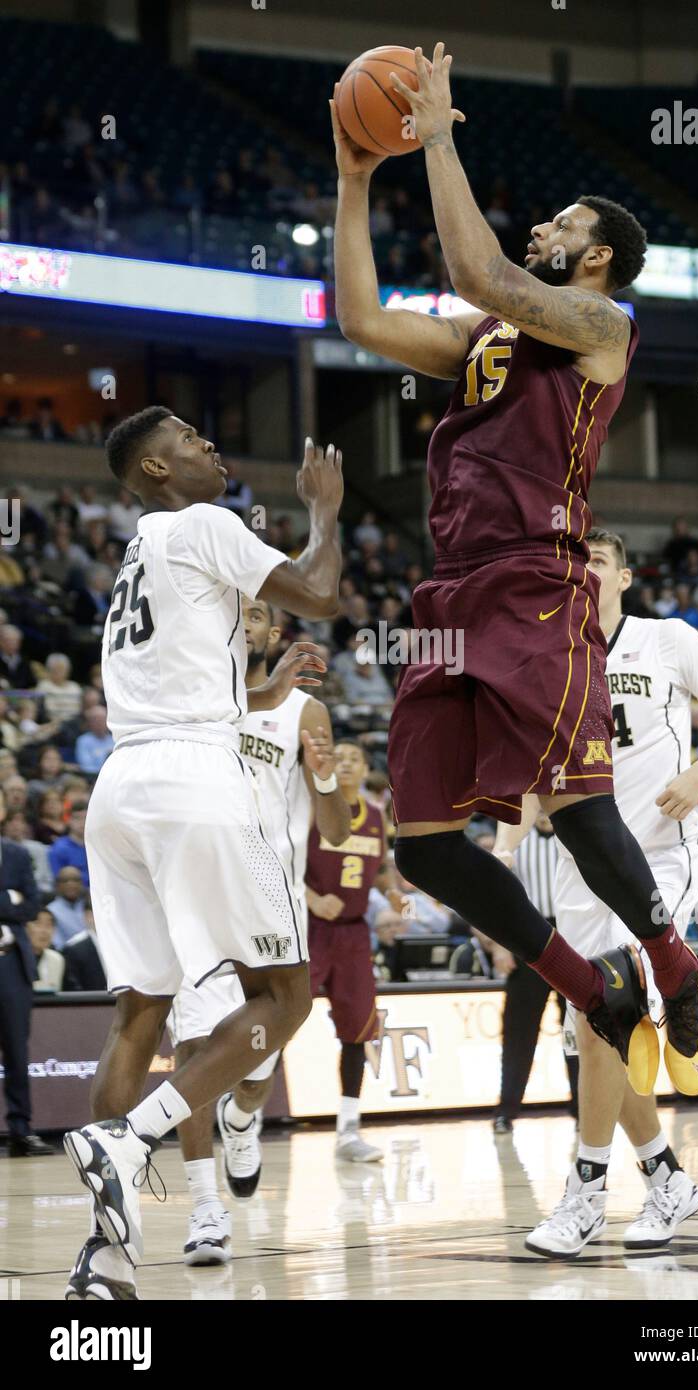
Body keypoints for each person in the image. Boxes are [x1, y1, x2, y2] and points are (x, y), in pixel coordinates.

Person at [331, 46, 698, 1114]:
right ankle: (587, 985)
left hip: (535, 582)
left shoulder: (603, 329)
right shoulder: (484, 339)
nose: (543, 229)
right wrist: (357, 177)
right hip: (449, 590)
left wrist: (440, 133)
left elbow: (480, 271)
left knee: (581, 807)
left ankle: (672, 962)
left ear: (597, 258)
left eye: (560, 222)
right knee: (423, 845)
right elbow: (362, 321)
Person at [62, 409, 342, 1301]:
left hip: (120, 790)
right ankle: (133, 1134)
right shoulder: (203, 523)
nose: (210, 446)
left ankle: (104, 1262)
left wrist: (257, 687)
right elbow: (319, 592)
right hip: (196, 784)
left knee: (139, 1014)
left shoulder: (138, 554)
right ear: (153, 467)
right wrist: (326, 514)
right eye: (189, 439)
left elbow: (197, 671)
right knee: (288, 996)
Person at [494, 529, 698, 1255]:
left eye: (597, 563)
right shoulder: (551, 663)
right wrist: (501, 848)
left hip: (659, 862)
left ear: (624, 578)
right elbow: (533, 782)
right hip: (583, 871)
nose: (582, 573)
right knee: (601, 1030)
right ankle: (666, 1177)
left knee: (602, 1007)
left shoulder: (667, 639)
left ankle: (583, 1192)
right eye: (572, 564)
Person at [166, 599, 351, 1266]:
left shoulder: (303, 712)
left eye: (259, 615)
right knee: (190, 1055)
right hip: (196, 898)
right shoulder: (190, 696)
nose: (245, 622)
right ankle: (205, 1211)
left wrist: (325, 773)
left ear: (275, 634)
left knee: (254, 1068)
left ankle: (243, 1118)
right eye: (234, 612)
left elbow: (333, 831)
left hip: (271, 909)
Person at [306, 740, 396, 1163]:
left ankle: (348, 1130)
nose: (345, 764)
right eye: (338, 757)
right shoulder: (311, 806)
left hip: (354, 934)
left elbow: (378, 871)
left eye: (353, 758)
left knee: (359, 1030)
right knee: (278, 1021)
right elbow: (281, 862)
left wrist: (395, 897)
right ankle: (244, 1119)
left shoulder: (376, 816)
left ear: (364, 769)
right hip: (308, 927)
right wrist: (310, 898)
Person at [491, 810, 575, 1134]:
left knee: (578, 1031)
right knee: (518, 1033)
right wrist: (499, 944)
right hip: (526, 937)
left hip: (571, 938)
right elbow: (493, 897)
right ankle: (506, 1110)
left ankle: (585, 1110)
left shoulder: (574, 836)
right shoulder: (513, 843)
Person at [0, 785, 51, 1155]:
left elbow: (32, 906)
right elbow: (16, 901)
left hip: (10, 961)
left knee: (17, 1049)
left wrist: (11, 902)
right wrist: (7, 898)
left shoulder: (16, 855)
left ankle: (21, 1129)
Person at [62, 906, 107, 991]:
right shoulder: (74, 948)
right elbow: (73, 989)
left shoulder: (122, 943)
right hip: (92, 1002)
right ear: (88, 916)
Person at [48, 800, 90, 887]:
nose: (82, 822)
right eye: (77, 818)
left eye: (86, 817)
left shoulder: (97, 846)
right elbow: (58, 879)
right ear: (69, 820)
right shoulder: (59, 848)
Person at [46, 865, 88, 949]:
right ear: (58, 885)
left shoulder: (91, 906)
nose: (71, 884)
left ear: (81, 883)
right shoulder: (51, 910)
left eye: (75, 880)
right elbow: (58, 946)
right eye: (65, 880)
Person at [27, 907, 66, 991]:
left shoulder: (57, 959)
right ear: (24, 927)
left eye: (49, 925)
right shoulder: (9, 959)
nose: (44, 931)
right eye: (38, 924)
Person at [74, 705, 114, 774]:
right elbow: (86, 766)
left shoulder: (114, 740)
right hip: (92, 778)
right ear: (90, 723)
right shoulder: (83, 741)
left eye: (102, 720)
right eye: (96, 720)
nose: (100, 723)